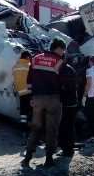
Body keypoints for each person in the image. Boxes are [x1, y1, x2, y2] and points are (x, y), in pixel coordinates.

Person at [21, 38, 70, 168]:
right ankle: (48, 159)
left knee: (35, 127)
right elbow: (66, 81)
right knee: (52, 129)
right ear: (58, 48)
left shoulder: (36, 58)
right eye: (63, 49)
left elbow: (29, 80)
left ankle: (27, 158)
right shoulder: (59, 62)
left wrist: (32, 97)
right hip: (53, 99)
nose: (63, 52)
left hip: (37, 99)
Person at [58, 62, 78, 157]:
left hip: (65, 103)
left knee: (64, 127)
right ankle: (69, 148)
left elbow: (63, 86)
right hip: (72, 102)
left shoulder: (63, 70)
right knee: (70, 127)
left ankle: (67, 150)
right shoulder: (71, 69)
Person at [12, 51, 33, 131]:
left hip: (21, 92)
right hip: (29, 91)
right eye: (30, 58)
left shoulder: (15, 67)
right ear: (27, 57)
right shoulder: (29, 66)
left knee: (23, 111)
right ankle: (30, 128)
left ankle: (23, 127)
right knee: (31, 110)